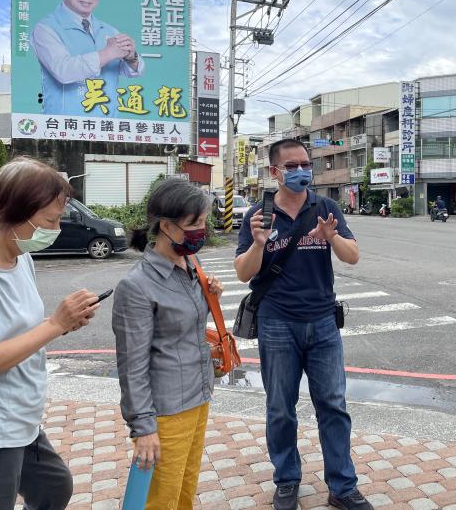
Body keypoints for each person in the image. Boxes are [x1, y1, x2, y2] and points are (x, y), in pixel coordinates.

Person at [234, 139, 372, 510]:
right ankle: (286, 480)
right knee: (280, 408)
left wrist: (332, 236)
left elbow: (353, 256)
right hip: (277, 324)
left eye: (305, 164)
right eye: (291, 166)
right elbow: (244, 273)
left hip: (323, 322)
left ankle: (342, 487)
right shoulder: (258, 214)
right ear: (274, 171)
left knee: (333, 405)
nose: (301, 171)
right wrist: (258, 243)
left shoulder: (325, 208)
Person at [0, 158, 100, 509]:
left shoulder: (20, 256)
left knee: (54, 488)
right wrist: (55, 325)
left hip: (22, 417)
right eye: (50, 221)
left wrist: (62, 323)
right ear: (13, 213)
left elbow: (20, 331)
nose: (56, 229)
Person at [112, 178, 222, 510]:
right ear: (166, 226)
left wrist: (211, 296)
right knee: (161, 499)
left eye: (204, 222)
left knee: (185, 490)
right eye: (194, 223)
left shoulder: (191, 265)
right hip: (166, 411)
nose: (202, 231)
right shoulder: (137, 286)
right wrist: (143, 428)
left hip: (199, 396)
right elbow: (132, 366)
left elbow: (186, 326)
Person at [30, 0, 145, 116]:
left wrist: (132, 58)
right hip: (65, 126)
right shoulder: (46, 28)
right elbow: (63, 71)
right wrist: (108, 53)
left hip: (107, 126)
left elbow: (133, 71)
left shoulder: (109, 30)